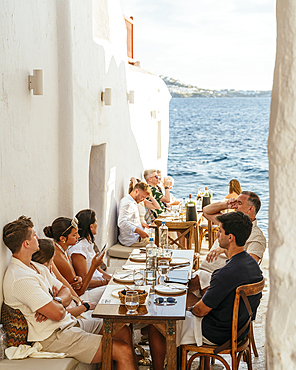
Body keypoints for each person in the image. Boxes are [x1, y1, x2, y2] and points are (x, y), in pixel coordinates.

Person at [2, 216, 138, 369]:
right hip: (53, 336)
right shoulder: (21, 278)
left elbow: (66, 291)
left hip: (68, 324)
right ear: (26, 244)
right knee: (122, 350)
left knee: (122, 330)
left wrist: (56, 300)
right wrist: (57, 304)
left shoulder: (35, 266)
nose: (38, 237)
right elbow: (58, 314)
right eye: (34, 235)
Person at [149, 211, 263, 370]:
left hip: (215, 333)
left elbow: (201, 311)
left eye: (220, 231)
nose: (217, 235)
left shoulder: (225, 273)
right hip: (238, 331)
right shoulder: (252, 265)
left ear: (230, 237)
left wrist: (187, 309)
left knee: (158, 323)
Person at [188, 191, 266, 303]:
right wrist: (226, 205)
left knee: (183, 287)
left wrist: (224, 249)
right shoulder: (230, 223)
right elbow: (206, 211)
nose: (235, 206)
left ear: (250, 209)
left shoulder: (256, 237)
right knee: (180, 288)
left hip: (220, 282)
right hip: (206, 274)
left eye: (239, 203)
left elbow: (249, 266)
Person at [44, 217, 107, 302]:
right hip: (73, 299)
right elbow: (79, 292)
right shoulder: (58, 257)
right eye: (74, 235)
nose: (78, 236)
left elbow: (75, 283)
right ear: (63, 238)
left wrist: (79, 280)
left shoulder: (63, 250)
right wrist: (93, 266)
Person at [32, 238, 97, 318]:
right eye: (74, 234)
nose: (78, 236)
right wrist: (85, 306)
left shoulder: (51, 263)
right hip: (69, 313)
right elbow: (59, 311)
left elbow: (64, 285)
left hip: (72, 303)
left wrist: (78, 300)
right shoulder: (41, 275)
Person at [67, 209, 111, 299]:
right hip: (88, 291)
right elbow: (84, 281)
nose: (97, 225)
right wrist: (106, 282)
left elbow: (98, 270)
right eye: (96, 222)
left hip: (98, 283)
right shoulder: (78, 249)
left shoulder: (87, 243)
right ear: (91, 227)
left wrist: (111, 279)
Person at [118, 182, 151, 247]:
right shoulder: (128, 203)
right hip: (133, 240)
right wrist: (139, 231)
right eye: (143, 196)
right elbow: (121, 222)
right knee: (159, 239)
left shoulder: (131, 201)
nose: (143, 200)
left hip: (135, 237)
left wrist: (140, 223)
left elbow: (129, 219)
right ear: (136, 191)